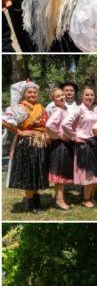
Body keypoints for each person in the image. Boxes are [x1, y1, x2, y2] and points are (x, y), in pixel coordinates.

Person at [2, 80, 49, 213]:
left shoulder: (41, 107)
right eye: (30, 92)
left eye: (35, 92)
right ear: (24, 94)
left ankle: (36, 200)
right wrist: (21, 132)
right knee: (29, 174)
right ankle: (31, 204)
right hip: (26, 146)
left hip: (40, 144)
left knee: (37, 172)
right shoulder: (18, 107)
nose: (33, 94)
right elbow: (4, 122)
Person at [62, 87, 97, 209]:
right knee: (87, 173)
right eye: (87, 95)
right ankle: (85, 199)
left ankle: (91, 197)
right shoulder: (78, 109)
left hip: (95, 143)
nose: (89, 97)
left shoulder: (96, 110)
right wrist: (74, 137)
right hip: (84, 144)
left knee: (94, 172)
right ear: (82, 96)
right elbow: (65, 124)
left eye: (91, 95)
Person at [44, 87, 75, 211]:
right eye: (58, 96)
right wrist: (59, 135)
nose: (62, 97)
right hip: (60, 146)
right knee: (60, 174)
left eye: (62, 95)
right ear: (53, 99)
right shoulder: (58, 110)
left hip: (63, 145)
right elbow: (49, 125)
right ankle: (59, 200)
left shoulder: (64, 109)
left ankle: (58, 197)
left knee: (59, 174)